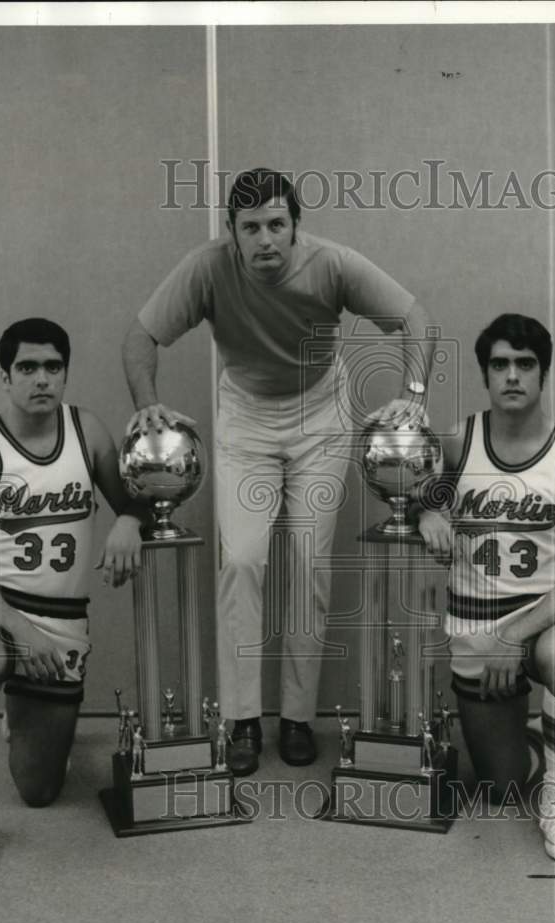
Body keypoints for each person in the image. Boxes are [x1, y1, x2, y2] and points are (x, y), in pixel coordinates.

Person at [122, 167, 435, 776]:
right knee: (241, 559)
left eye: (276, 225)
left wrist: (415, 391)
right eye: (250, 228)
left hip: (321, 411)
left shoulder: (333, 264)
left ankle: (296, 718)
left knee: (307, 566)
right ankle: (241, 720)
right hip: (245, 416)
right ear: (232, 234)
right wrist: (146, 402)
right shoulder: (208, 267)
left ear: (295, 226)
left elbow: (412, 316)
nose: (265, 240)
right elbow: (140, 337)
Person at [0, 318, 146, 868]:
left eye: (53, 367)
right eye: (27, 367)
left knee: (39, 789)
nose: (41, 379)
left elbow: (138, 498)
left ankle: (14, 718)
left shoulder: (89, 432)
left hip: (61, 620)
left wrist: (129, 519)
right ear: (5, 376)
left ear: (65, 373)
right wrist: (20, 631)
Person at [417, 313, 555, 862]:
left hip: (548, 615)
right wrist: (427, 510)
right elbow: (401, 476)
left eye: (525, 364)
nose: (513, 375)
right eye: (500, 364)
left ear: (543, 374)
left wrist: (514, 635)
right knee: (501, 790)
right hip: (476, 619)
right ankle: (547, 737)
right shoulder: (459, 441)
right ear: (486, 374)